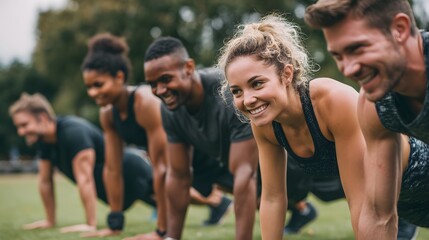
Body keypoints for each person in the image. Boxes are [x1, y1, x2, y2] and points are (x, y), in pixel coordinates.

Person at [217, 13, 425, 240]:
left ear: (286, 74)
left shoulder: (332, 102)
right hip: (397, 206)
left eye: (257, 84)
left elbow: (359, 199)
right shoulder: (265, 124)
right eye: (237, 91)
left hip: (419, 180)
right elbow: (273, 198)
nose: (247, 100)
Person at [81, 33, 231, 239]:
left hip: (199, 157)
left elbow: (163, 169)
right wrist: (114, 223)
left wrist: (161, 232)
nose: (92, 93)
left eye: (98, 84)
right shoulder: (108, 114)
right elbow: (113, 169)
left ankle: (290, 204)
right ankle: (221, 205)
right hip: (178, 165)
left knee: (262, 196)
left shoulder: (144, 102)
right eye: (89, 87)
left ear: (119, 77)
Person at [305, 0, 429, 238]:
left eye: (357, 48)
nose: (348, 69)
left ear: (400, 29)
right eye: (338, 55)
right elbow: (378, 215)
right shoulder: (374, 103)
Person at [143, 36, 259, 240]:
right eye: (152, 84)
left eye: (166, 79)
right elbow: (178, 176)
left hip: (296, 170)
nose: (160, 90)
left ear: (188, 67)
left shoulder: (228, 90)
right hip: (249, 180)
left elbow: (245, 174)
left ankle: (301, 207)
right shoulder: (170, 109)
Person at [9, 93, 156, 234]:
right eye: (18, 127)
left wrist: (89, 225)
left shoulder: (73, 132)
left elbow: (85, 179)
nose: (21, 132)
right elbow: (45, 181)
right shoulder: (44, 141)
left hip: (133, 174)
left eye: (24, 125)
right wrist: (49, 221)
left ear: (42, 117)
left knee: (174, 203)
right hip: (117, 189)